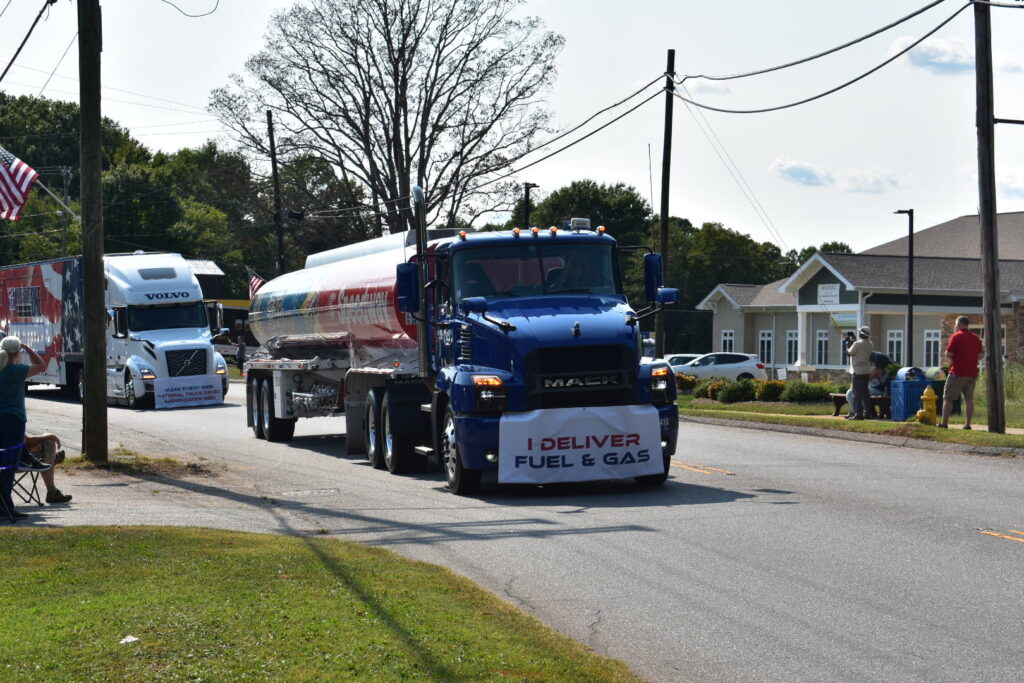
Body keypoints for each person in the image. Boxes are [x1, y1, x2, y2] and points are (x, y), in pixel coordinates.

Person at [0, 336, 46, 521]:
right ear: (17, 353)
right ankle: (6, 506)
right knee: (9, 465)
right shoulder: (16, 370)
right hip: (13, 420)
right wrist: (27, 348)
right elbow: (41, 365)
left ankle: (4, 506)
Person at [938, 315, 984, 430]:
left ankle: (944, 423)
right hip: (972, 373)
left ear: (958, 324)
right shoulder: (975, 337)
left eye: (955, 324)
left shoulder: (956, 336)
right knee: (969, 399)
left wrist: (948, 354)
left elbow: (949, 354)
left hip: (957, 372)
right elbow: (981, 355)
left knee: (948, 398)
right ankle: (967, 424)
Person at [24, 433, 71, 504]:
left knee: (45, 444)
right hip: (15, 463)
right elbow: (27, 441)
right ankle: (52, 492)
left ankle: (52, 458)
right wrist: (51, 436)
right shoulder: (12, 422)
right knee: (49, 441)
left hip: (5, 462)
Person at [844, 351, 890, 417]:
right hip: (880, 391)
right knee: (855, 393)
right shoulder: (885, 370)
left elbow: (866, 379)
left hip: (876, 390)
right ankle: (856, 411)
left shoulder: (877, 370)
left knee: (850, 392)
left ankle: (854, 412)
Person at [844, 326, 874, 420]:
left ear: (862, 333)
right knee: (865, 393)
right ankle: (867, 413)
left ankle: (858, 414)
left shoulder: (857, 344)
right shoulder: (870, 344)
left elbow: (849, 353)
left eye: (860, 332)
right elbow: (859, 347)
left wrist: (848, 343)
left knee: (856, 394)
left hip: (857, 372)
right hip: (866, 371)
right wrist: (853, 341)